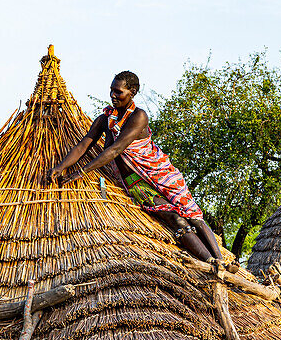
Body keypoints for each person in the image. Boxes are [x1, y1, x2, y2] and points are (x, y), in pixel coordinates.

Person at [46, 71, 234, 268]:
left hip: (162, 175)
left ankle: (221, 260)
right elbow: (84, 144)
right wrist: (61, 167)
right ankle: (212, 263)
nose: (113, 95)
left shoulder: (138, 116)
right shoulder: (105, 119)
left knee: (192, 215)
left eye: (118, 92)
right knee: (176, 219)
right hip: (135, 183)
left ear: (132, 92)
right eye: (111, 90)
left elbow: (116, 149)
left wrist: (81, 172)